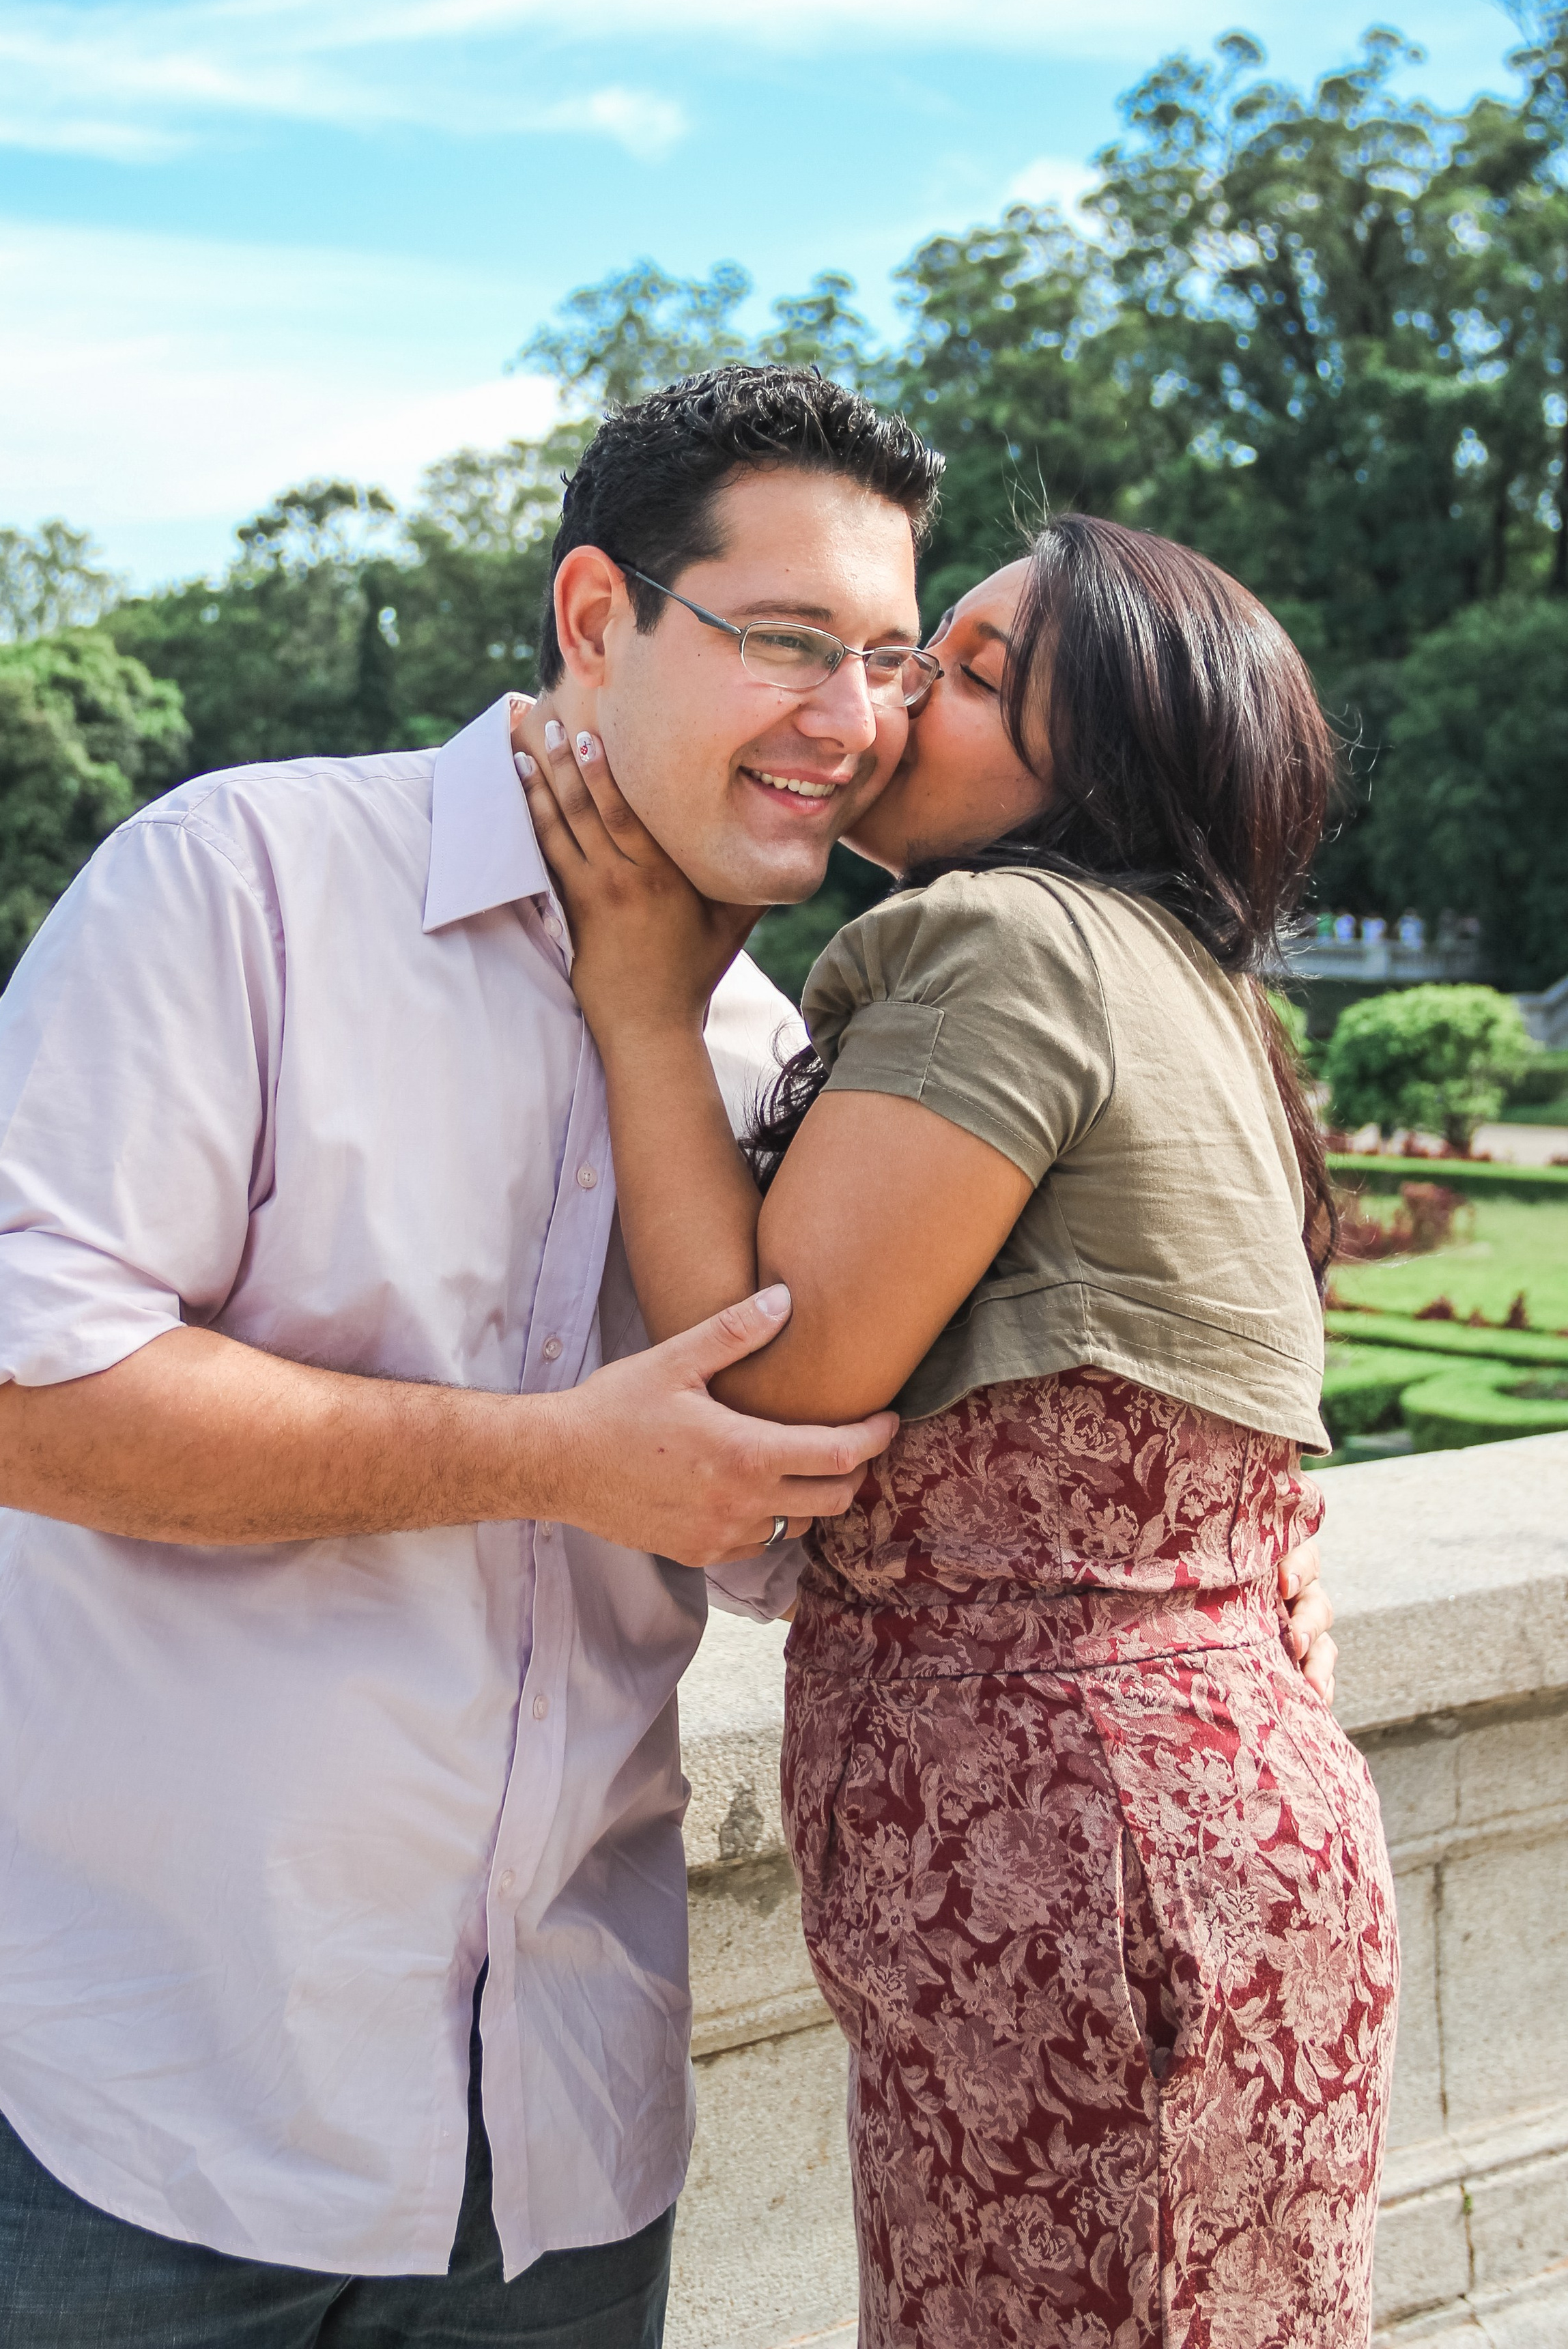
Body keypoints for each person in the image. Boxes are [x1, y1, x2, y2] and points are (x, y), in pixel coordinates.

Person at [0, 373, 1335, 2348]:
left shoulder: (765, 1064)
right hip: (136, 2104)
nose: (855, 718)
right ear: (593, 618)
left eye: (897, 661)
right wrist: (553, 1455)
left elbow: (781, 1519)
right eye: (792, 642)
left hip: (552, 2152)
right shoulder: (246, 882)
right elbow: (8, 1401)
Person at [517, 511, 1393, 2347]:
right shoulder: (1196, 981)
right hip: (1194, 1842)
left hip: (1074, 1868)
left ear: (1113, 770)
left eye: (971, 678)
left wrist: (636, 990)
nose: (894, 705)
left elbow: (770, 1384)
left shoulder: (1003, 939)